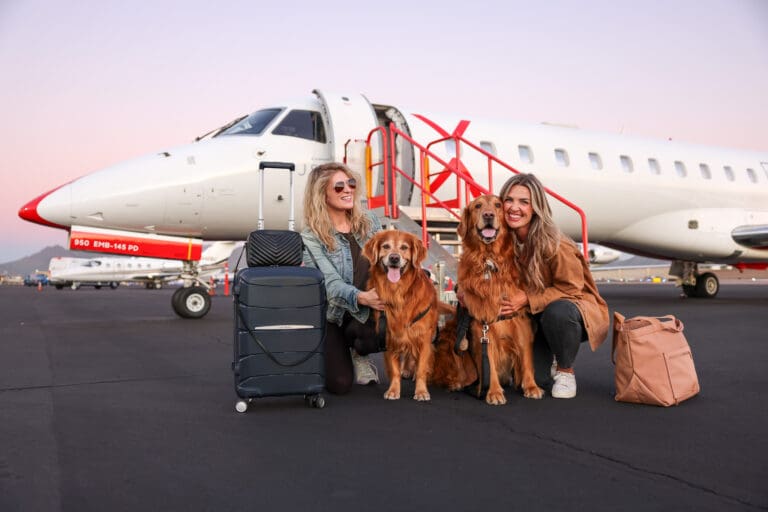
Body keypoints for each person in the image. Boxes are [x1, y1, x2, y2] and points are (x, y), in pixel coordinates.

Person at [498, 173, 609, 399]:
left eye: (524, 202)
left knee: (557, 312)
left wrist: (526, 298)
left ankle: (565, 369)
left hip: (571, 311)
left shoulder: (555, 243)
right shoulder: (503, 240)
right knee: (535, 381)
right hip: (533, 316)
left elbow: (571, 289)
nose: (514, 208)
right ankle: (546, 357)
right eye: (509, 200)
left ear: (536, 207)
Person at [301, 162, 386, 394]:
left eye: (351, 184)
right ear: (322, 194)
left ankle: (361, 352)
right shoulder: (310, 236)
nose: (348, 190)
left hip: (371, 308)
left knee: (383, 332)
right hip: (337, 314)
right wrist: (361, 297)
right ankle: (339, 349)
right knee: (338, 384)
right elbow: (330, 283)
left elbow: (388, 256)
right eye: (339, 187)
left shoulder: (369, 221)